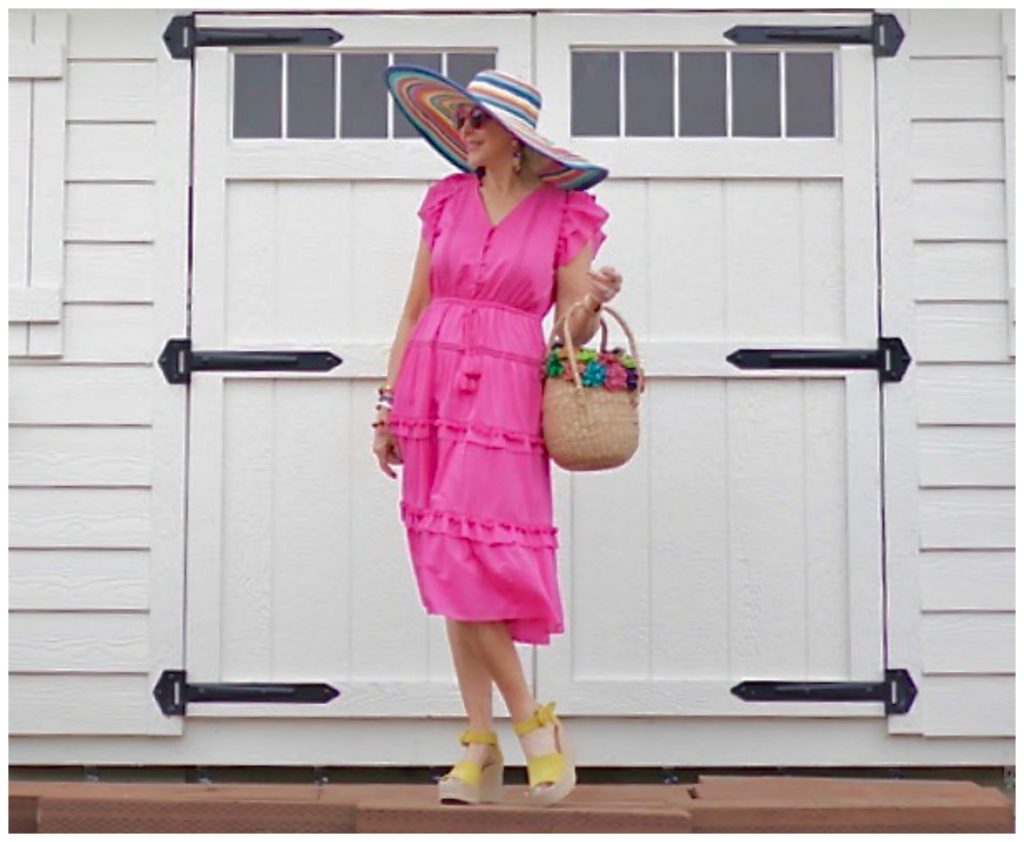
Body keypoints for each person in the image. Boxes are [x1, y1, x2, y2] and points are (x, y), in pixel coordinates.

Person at [376, 66, 624, 808]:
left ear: (514, 139)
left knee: (470, 554)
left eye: (478, 121)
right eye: (462, 120)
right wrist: (388, 403)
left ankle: (530, 726)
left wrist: (596, 300)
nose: (466, 131)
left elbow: (569, 327)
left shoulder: (564, 213)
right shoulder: (446, 202)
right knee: (449, 560)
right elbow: (414, 308)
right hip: (432, 382)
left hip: (508, 391)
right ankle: (481, 747)